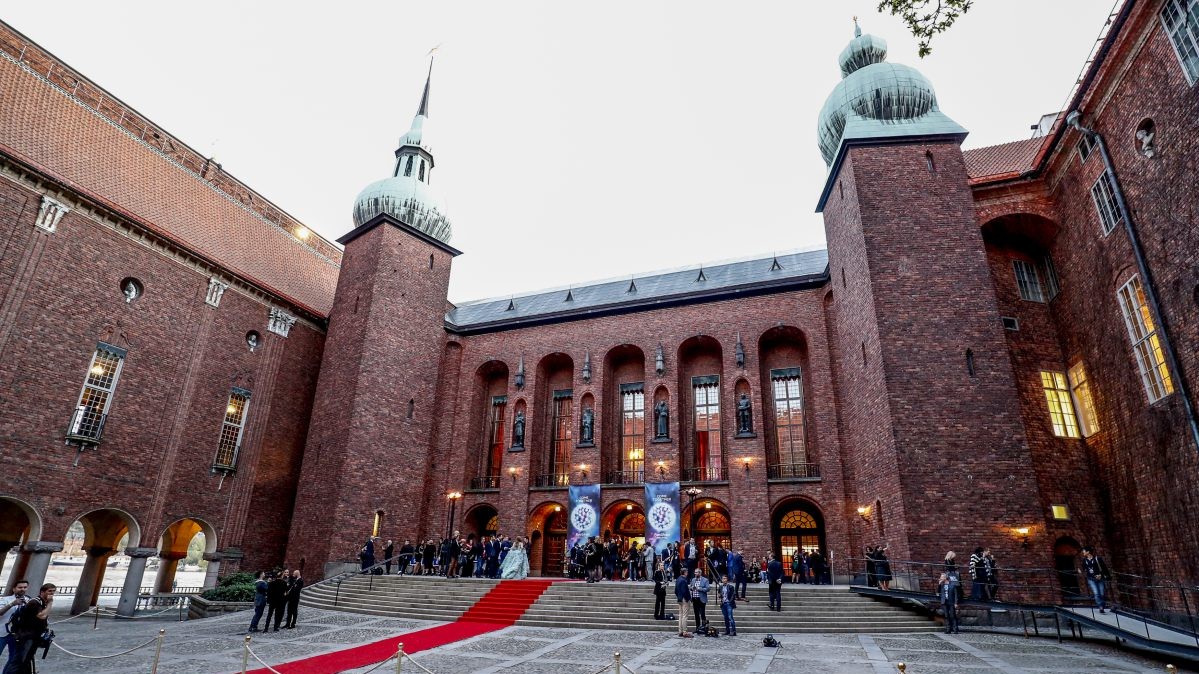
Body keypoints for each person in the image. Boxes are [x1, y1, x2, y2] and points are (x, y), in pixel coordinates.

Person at [2, 583, 54, 674]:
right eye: (49, 591)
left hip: (33, 636)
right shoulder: (34, 602)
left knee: (25, 659)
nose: (52, 593)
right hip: (23, 635)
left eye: (53, 591)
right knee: (18, 660)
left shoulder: (32, 600)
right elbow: (42, 615)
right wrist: (50, 603)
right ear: (42, 592)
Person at [1, 580, 30, 666]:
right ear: (14, 589)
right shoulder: (5, 599)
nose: (22, 589)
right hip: (2, 633)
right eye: (20, 587)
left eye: (25, 587)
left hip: (17, 634)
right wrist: (12, 604)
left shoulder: (29, 600)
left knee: (13, 659)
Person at [1082, 547, 1112, 613]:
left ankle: (1102, 605)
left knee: (1102, 593)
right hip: (1091, 579)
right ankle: (1101, 607)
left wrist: (1101, 575)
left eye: (1084, 551)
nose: (1083, 552)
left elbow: (1104, 568)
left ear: (1088, 552)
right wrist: (1080, 570)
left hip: (1100, 578)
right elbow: (1084, 569)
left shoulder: (1097, 559)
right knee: (1096, 593)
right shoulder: (1084, 560)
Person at [689, 567, 710, 634]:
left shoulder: (705, 580)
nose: (695, 573)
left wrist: (699, 588)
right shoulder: (693, 579)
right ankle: (697, 627)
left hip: (701, 599)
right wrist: (692, 588)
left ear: (700, 573)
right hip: (695, 599)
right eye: (695, 572)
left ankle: (704, 628)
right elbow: (690, 587)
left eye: (697, 572)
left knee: (702, 614)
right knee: (696, 614)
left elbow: (708, 589)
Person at [674, 568, 693, 638]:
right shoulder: (683, 580)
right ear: (684, 572)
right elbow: (685, 591)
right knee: (685, 616)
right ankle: (684, 631)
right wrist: (688, 599)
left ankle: (680, 631)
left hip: (680, 599)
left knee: (681, 615)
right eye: (686, 572)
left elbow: (675, 590)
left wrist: (679, 596)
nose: (687, 573)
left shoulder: (678, 579)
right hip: (684, 599)